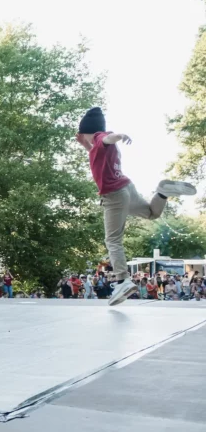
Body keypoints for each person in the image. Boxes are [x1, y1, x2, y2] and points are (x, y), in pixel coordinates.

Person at [75, 107, 195, 305]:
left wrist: (119, 135)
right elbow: (98, 152)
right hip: (126, 189)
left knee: (112, 239)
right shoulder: (99, 147)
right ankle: (163, 192)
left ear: (89, 132)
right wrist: (85, 145)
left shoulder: (100, 137)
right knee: (151, 213)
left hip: (113, 196)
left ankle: (122, 280)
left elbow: (105, 139)